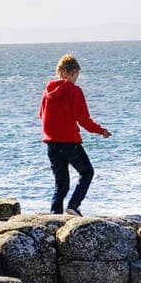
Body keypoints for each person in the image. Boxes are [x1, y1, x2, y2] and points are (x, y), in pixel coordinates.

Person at [39, 54, 110, 214]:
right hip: (70, 143)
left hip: (51, 144)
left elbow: (41, 115)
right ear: (70, 72)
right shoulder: (74, 91)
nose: (76, 79)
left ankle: (54, 218)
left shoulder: (48, 90)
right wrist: (101, 131)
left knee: (61, 185)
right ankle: (73, 206)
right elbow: (84, 119)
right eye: (76, 75)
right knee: (87, 172)